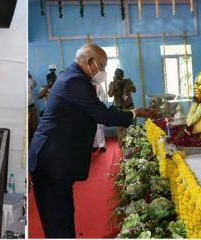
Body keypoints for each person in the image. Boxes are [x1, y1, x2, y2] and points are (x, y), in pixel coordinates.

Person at [29, 43, 155, 238]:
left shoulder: (75, 77)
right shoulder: (74, 81)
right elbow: (103, 115)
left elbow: (99, 110)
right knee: (57, 218)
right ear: (90, 62)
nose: (104, 70)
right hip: (52, 159)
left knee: (61, 214)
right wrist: (135, 113)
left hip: (55, 157)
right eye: (103, 66)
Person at [108, 68, 136, 146]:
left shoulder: (127, 81)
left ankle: (132, 146)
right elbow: (110, 94)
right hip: (119, 110)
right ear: (115, 75)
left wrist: (126, 84)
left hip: (129, 108)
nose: (119, 76)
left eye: (120, 75)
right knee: (120, 130)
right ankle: (122, 147)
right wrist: (114, 84)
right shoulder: (112, 83)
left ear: (123, 75)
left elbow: (134, 90)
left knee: (131, 128)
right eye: (117, 75)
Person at [92, 83, 106, 152]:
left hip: (98, 107)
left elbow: (102, 94)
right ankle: (94, 146)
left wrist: (98, 101)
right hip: (89, 107)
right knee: (91, 127)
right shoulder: (85, 83)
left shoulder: (98, 84)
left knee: (100, 127)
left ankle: (102, 145)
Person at [28, 72, 38, 144]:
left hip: (31, 107)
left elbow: (35, 83)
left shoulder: (28, 80)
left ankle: (35, 144)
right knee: (27, 130)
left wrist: (30, 75)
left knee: (34, 127)